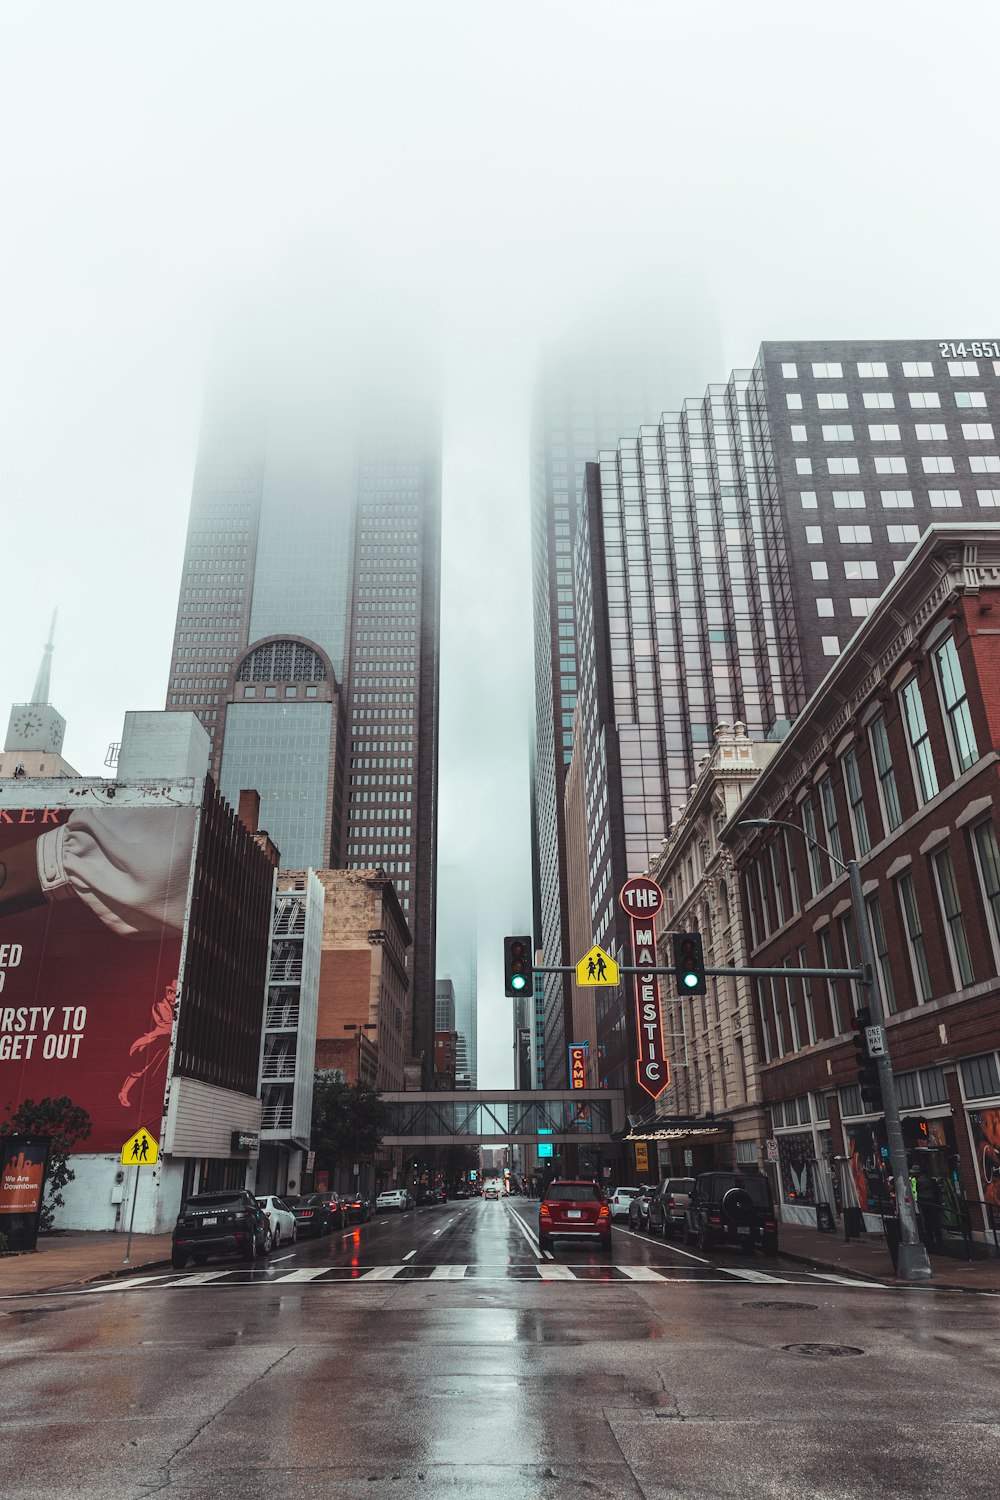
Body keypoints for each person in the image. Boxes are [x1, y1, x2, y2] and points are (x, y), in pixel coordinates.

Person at [915, 1163, 944, 1250]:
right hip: (932, 1202)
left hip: (924, 1203)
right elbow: (936, 1192)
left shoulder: (919, 1181)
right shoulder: (932, 1181)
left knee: (927, 1221)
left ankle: (931, 1239)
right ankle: (939, 1240)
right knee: (935, 1221)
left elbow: (918, 1190)